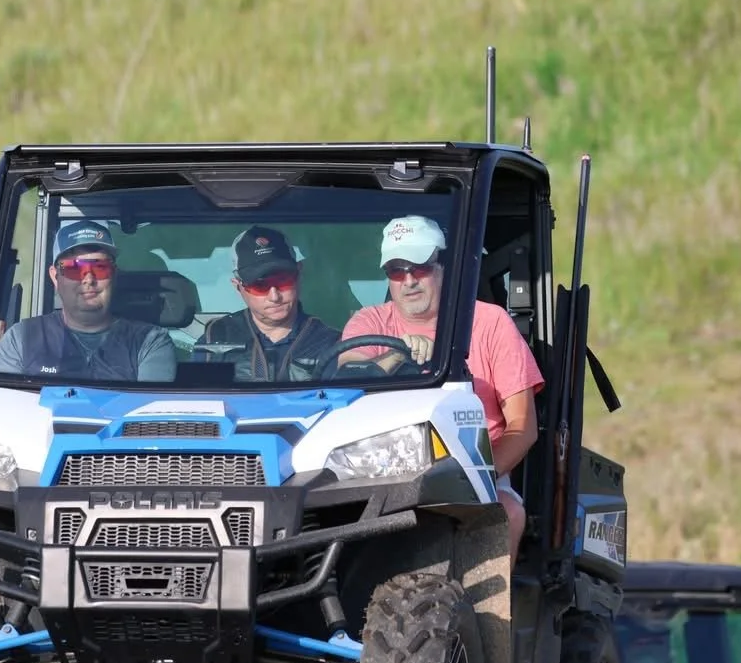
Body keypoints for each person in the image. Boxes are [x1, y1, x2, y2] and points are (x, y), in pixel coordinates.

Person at [338, 215, 544, 566]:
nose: (408, 281)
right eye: (396, 270)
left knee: (507, 512)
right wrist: (395, 354)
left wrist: (477, 477)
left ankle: (487, 619)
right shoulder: (368, 322)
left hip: (473, 471)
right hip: (378, 472)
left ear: (445, 265)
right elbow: (346, 379)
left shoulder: (490, 322)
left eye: (419, 267)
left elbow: (523, 428)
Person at [0, 220, 176, 381]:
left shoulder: (150, 342)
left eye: (100, 267)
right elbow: (4, 409)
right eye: (74, 269)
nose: (88, 279)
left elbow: (144, 414)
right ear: (55, 277)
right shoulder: (21, 339)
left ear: (114, 274)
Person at [193, 225, 340, 381]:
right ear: (238, 287)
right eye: (260, 286)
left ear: (299, 274)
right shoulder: (215, 342)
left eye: (283, 280)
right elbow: (201, 399)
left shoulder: (331, 343)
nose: (274, 296)